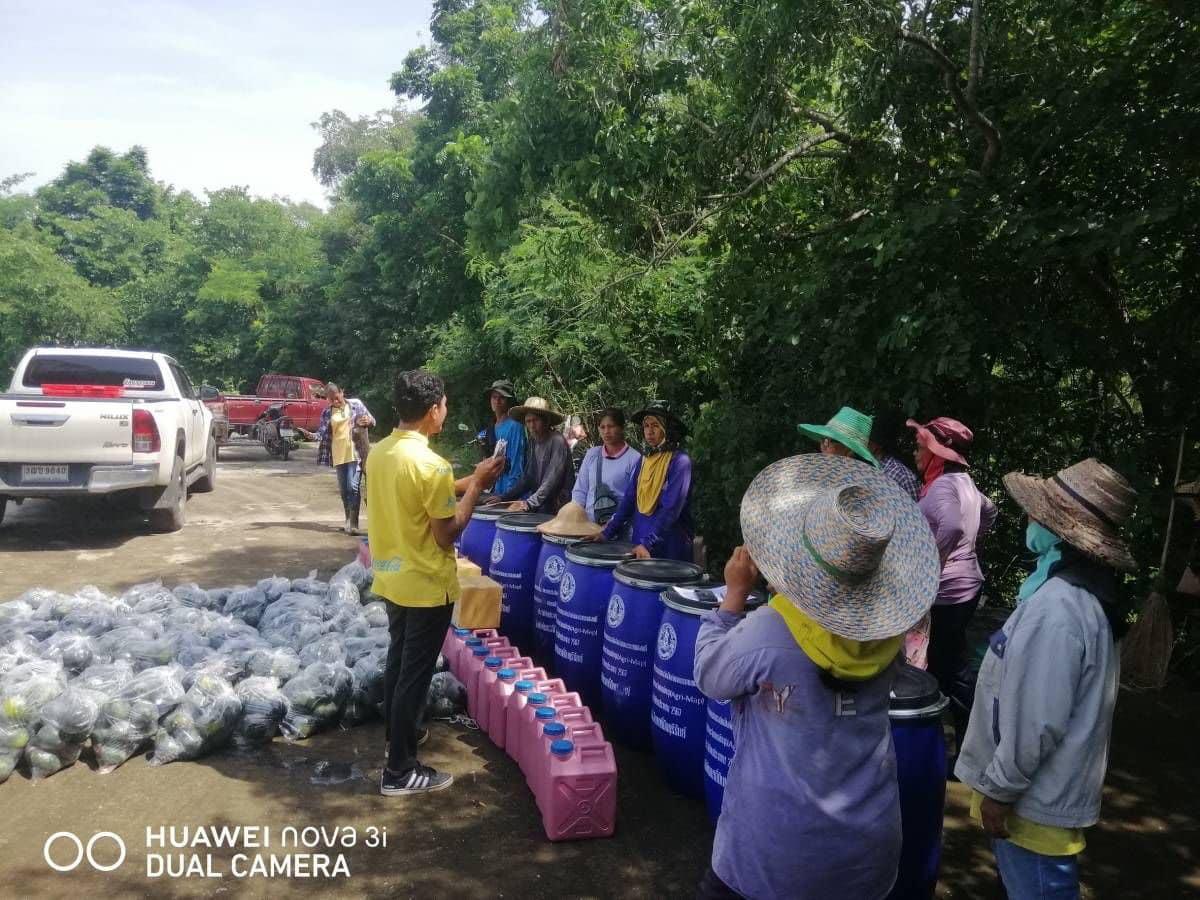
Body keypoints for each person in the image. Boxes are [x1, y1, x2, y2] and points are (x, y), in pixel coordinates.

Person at [694, 453, 940, 899]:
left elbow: (712, 675)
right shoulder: (887, 635)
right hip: (865, 853)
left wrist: (732, 599)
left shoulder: (772, 629)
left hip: (776, 855)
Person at [955, 459, 1137, 899]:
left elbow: (1038, 718)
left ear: (1061, 532)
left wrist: (1000, 789)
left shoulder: (1057, 609)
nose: (1029, 519)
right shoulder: (1075, 595)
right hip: (1042, 800)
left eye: (1038, 514)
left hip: (1033, 811)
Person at [366, 370, 504, 796]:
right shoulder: (431, 465)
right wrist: (478, 485)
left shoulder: (380, 452)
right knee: (415, 675)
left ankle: (397, 737)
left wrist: (467, 482)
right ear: (432, 412)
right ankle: (400, 771)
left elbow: (418, 497)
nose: (446, 411)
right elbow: (448, 531)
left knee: (398, 663)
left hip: (392, 577)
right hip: (425, 585)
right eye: (443, 405)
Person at [906, 417, 996, 738]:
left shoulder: (944, 485)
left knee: (947, 664)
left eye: (920, 447)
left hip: (948, 590)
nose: (915, 453)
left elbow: (954, 526)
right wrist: (971, 548)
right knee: (950, 658)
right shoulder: (964, 483)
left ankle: (968, 737)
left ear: (937, 453)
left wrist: (936, 561)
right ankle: (964, 731)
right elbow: (990, 511)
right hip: (967, 585)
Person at [596, 403, 693, 560]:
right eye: (646, 426)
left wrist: (648, 543)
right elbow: (629, 499)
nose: (649, 431)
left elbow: (671, 508)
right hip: (640, 545)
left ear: (667, 429)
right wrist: (606, 533)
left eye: (655, 425)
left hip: (669, 546)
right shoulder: (644, 460)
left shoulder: (680, 462)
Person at [492, 396, 574, 514]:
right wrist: (504, 497)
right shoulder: (533, 441)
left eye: (535, 420)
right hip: (541, 506)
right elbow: (528, 478)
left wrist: (529, 503)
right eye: (528, 421)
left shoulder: (557, 441)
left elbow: (551, 480)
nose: (531, 425)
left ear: (546, 421)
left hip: (559, 509)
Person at [312, 383, 375, 535]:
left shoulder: (356, 405)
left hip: (355, 452)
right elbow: (321, 432)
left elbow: (372, 420)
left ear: (342, 392)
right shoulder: (327, 412)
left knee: (353, 487)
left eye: (337, 397)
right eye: (331, 399)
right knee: (344, 489)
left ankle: (354, 524)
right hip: (338, 453)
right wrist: (311, 436)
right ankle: (348, 520)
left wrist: (369, 421)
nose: (335, 401)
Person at [571, 408, 641, 525]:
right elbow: (580, 490)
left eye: (611, 426)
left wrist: (610, 528)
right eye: (602, 427)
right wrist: (576, 516)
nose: (606, 431)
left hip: (620, 529)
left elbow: (633, 500)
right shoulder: (592, 454)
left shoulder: (634, 458)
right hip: (588, 527)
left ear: (621, 428)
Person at [479, 379, 527, 497]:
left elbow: (517, 462)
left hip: (511, 491)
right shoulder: (492, 427)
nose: (497, 401)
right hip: (495, 489)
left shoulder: (515, 426)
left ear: (509, 401)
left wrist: (509, 496)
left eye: (502, 398)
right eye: (494, 397)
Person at [798, 406, 879, 466]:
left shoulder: (860, 480)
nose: (823, 447)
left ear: (850, 451)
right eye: (823, 440)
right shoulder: (830, 474)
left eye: (828, 442)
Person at [870, 409, 921, 501]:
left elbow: (916, 510)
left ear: (877, 445)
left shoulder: (898, 475)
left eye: (868, 440)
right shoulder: (875, 468)